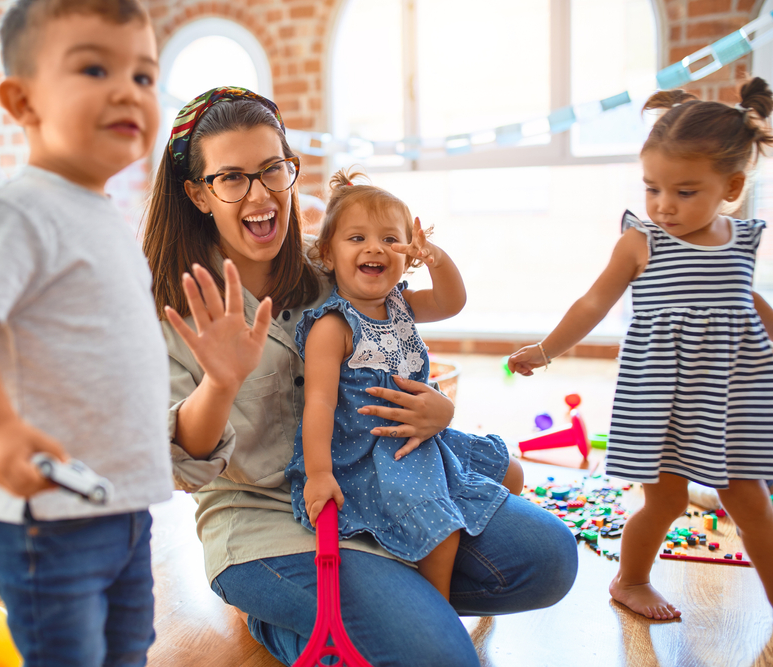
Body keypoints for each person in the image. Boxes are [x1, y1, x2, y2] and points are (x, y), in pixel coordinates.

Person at [141, 86, 577, 667]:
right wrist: (219, 382)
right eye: (232, 178)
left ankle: (375, 615)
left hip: (373, 487)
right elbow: (188, 459)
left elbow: (407, 334)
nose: (259, 194)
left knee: (549, 559)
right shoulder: (167, 307)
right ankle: (295, 622)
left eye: (273, 169)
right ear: (198, 193)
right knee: (439, 656)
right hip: (267, 520)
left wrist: (439, 412)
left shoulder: (335, 263)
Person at [0, 1, 172, 664]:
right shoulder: (19, 209)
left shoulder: (106, 215)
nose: (128, 90)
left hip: (123, 505)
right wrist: (2, 428)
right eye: (95, 68)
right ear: (23, 101)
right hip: (49, 518)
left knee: (128, 650)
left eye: (144, 76)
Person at [509, 78, 773, 621]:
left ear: (732, 186)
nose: (664, 205)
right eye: (652, 188)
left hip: (729, 395)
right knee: (667, 500)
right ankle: (630, 580)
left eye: (684, 191)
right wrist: (545, 349)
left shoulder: (741, 239)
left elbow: (749, 305)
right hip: (664, 395)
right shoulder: (641, 241)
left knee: (752, 503)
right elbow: (592, 304)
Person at [286, 167, 518, 600]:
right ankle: (438, 609)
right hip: (369, 453)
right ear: (328, 255)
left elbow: (453, 302)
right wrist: (318, 473)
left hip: (424, 439)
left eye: (390, 240)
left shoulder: (403, 304)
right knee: (439, 526)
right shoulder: (333, 327)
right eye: (357, 239)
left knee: (512, 472)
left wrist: (438, 258)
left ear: (408, 255)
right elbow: (316, 404)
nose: (375, 248)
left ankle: (460, 570)